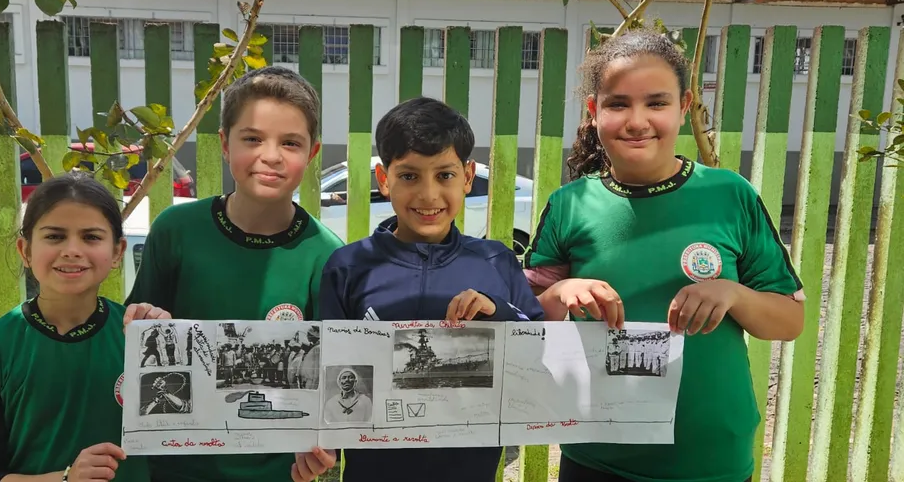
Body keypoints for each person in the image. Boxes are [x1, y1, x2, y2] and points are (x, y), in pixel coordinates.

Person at [522, 28, 805, 482]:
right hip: (597, 460)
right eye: (618, 104)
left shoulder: (730, 195)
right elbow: (524, 323)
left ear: (684, 106)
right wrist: (560, 291)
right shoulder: (568, 204)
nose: (637, 121)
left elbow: (789, 321)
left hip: (712, 461)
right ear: (595, 111)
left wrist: (733, 293)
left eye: (656, 103)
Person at [123, 65, 342, 482]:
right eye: (253, 139)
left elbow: (328, 380)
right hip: (175, 468)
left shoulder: (327, 256)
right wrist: (140, 321)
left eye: (290, 143)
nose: (271, 155)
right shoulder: (176, 231)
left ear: (312, 154)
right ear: (225, 144)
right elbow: (137, 348)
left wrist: (321, 448)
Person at [313, 97, 545, 482]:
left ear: (468, 177)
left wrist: (496, 310)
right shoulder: (348, 268)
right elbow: (331, 372)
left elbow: (538, 347)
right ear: (383, 178)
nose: (428, 195)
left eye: (445, 175)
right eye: (409, 176)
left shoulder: (495, 262)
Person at [0, 171, 170, 482]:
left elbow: (187, 437)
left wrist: (175, 347)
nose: (72, 250)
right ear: (24, 250)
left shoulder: (142, 337)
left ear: (117, 251)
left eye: (91, 237)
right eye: (54, 236)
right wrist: (65, 478)